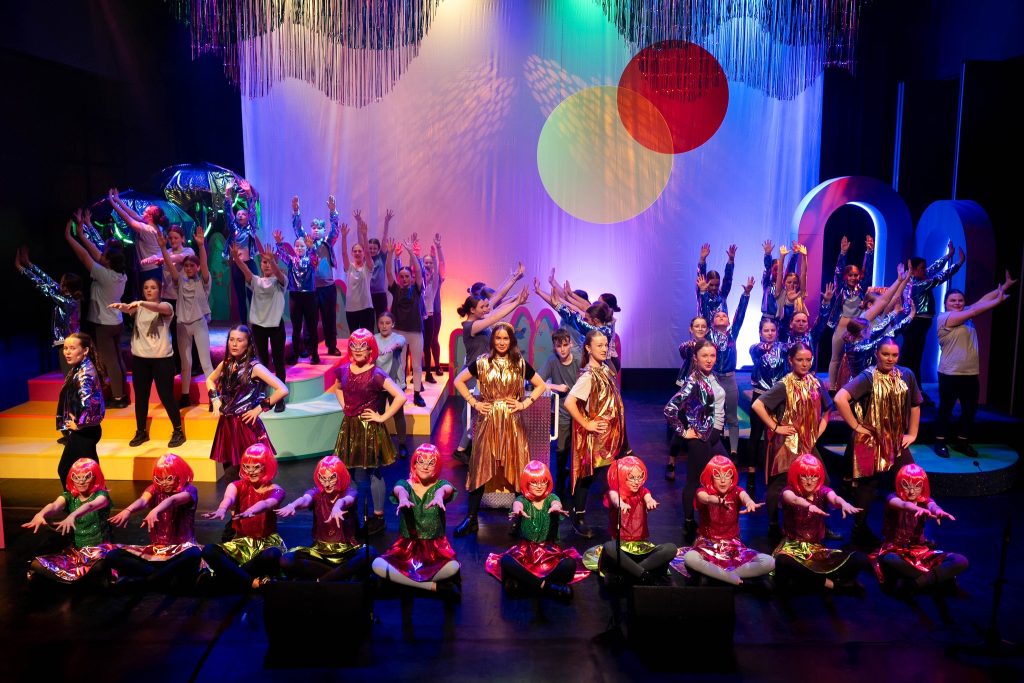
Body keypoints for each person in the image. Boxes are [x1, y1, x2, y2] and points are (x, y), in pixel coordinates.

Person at [453, 321, 547, 537]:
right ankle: (471, 518)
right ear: (493, 340)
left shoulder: (519, 363)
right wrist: (474, 402)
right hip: (488, 420)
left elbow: (541, 385)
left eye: (506, 338)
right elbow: (459, 380)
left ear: (511, 340)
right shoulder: (482, 362)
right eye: (498, 338)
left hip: (513, 422)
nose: (502, 342)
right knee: (479, 466)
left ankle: (519, 519)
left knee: (517, 466)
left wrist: (525, 403)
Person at [834, 338, 922, 548]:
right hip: (869, 441)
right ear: (877, 354)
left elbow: (915, 405)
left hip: (896, 440)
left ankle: (910, 532)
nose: (890, 359)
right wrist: (857, 426)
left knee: (910, 478)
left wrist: (912, 433)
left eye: (894, 355)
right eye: (885, 354)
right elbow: (840, 398)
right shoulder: (868, 377)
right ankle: (859, 531)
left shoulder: (906, 375)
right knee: (866, 487)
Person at [750, 342, 833, 539]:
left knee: (823, 481)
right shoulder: (784, 385)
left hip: (808, 443)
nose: (804, 364)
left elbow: (828, 408)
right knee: (779, 484)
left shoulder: (815, 382)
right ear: (790, 361)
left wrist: (818, 431)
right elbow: (758, 405)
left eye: (808, 360)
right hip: (787, 444)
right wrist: (775, 427)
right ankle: (773, 525)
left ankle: (820, 524)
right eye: (799, 360)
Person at [330, 328, 407, 536]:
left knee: (373, 472)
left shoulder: (376, 374)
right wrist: (345, 406)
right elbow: (338, 387)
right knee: (350, 471)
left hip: (369, 428)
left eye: (362, 346)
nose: (357, 350)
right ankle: (353, 512)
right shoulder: (343, 370)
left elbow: (400, 396)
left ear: (370, 349)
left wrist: (382, 417)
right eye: (354, 346)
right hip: (350, 427)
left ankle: (378, 517)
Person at [933, 272, 1017, 457]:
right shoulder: (945, 318)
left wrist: (1003, 287)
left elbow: (981, 302)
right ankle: (940, 442)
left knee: (969, 410)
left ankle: (962, 442)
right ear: (946, 303)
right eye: (953, 300)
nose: (957, 303)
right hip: (950, 373)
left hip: (970, 373)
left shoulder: (965, 314)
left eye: (960, 300)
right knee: (946, 409)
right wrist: (998, 301)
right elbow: (975, 310)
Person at [485, 460, 587, 601]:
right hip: (525, 553)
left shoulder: (551, 498)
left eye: (543, 482)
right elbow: (517, 504)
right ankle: (548, 587)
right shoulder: (523, 500)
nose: (539, 486)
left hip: (549, 553)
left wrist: (556, 508)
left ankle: (529, 585)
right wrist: (517, 510)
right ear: (526, 483)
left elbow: (556, 503)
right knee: (506, 561)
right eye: (534, 482)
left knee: (570, 564)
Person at [372, 444, 461, 599]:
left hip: (434, 551)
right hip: (406, 549)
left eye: (431, 463)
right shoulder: (405, 484)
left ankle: (403, 582)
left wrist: (439, 496)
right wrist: (403, 499)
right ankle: (431, 587)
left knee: (453, 567)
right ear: (414, 463)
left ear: (437, 466)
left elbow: (445, 489)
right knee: (377, 565)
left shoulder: (441, 485)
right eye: (421, 462)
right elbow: (400, 490)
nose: (425, 467)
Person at [452, 283, 529, 461]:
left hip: (483, 372)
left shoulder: (479, 319)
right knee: (476, 412)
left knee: (471, 412)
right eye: (483, 307)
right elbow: (495, 316)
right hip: (473, 374)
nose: (487, 309)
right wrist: (517, 303)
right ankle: (461, 449)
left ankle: (467, 446)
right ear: (472, 310)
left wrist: (515, 284)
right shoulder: (470, 327)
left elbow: (497, 302)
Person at [564, 329, 629, 538]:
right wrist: (587, 424)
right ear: (588, 348)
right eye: (599, 345)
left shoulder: (605, 370)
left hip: (610, 437)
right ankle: (578, 517)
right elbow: (569, 402)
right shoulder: (588, 376)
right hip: (595, 438)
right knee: (587, 477)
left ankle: (618, 516)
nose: (603, 349)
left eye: (605, 345)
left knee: (608, 477)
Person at [207, 324, 289, 488]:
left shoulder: (255, 367)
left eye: (239, 340)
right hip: (227, 425)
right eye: (231, 340)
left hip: (245, 427)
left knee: (252, 474)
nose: (234, 344)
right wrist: (215, 400)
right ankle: (234, 503)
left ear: (248, 343)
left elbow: (282, 389)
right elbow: (209, 380)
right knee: (230, 476)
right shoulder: (225, 364)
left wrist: (258, 409)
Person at [108, 275, 185, 448]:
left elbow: (157, 307)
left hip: (162, 360)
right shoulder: (138, 308)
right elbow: (128, 308)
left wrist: (140, 303)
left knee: (166, 395)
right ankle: (141, 431)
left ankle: (178, 430)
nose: (149, 290)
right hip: (140, 360)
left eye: (153, 287)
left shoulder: (165, 307)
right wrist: (122, 307)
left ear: (160, 290)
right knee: (141, 397)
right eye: (146, 288)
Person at [104, 453, 202, 589]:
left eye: (169, 478)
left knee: (193, 554)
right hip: (158, 552)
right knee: (113, 555)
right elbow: (143, 501)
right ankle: (159, 578)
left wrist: (155, 510)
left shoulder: (190, 490)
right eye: (159, 479)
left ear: (179, 475)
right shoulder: (154, 489)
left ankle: (149, 580)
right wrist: (128, 510)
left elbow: (172, 500)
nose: (164, 483)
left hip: (180, 551)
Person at [773, 454, 869, 593]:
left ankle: (814, 580)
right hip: (791, 549)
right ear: (796, 476)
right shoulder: (788, 491)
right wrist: (808, 505)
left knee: (859, 559)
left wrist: (843, 503)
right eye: (804, 476)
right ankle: (832, 585)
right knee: (783, 563)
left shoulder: (822, 491)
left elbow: (834, 498)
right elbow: (793, 499)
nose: (810, 482)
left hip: (815, 550)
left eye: (814, 477)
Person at [665, 339, 730, 543]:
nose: (709, 360)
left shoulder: (713, 376)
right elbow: (670, 409)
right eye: (704, 356)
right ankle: (688, 521)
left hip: (714, 436)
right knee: (694, 481)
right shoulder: (693, 381)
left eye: (712, 356)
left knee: (726, 471)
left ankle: (715, 517)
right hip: (700, 438)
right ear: (696, 358)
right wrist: (683, 432)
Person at [202, 444, 287, 591]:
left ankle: (229, 578)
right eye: (247, 467)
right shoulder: (236, 485)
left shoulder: (277, 490)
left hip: (266, 544)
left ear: (267, 466)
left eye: (256, 467)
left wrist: (252, 510)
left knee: (273, 555)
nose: (251, 471)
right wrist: (222, 509)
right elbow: (228, 498)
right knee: (209, 550)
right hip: (241, 543)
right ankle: (249, 581)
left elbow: (267, 503)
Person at [65, 218, 129, 408]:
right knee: (117, 358)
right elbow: (95, 253)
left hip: (105, 324)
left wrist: (70, 237)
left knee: (110, 361)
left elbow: (85, 256)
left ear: (109, 262)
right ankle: (122, 393)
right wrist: (82, 233)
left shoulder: (105, 275)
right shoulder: (121, 275)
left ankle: (118, 397)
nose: (101, 257)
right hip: (116, 321)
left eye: (105, 257)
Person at [277, 455, 375, 581]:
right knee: (286, 560)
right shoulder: (316, 493)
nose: (327, 484)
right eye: (323, 479)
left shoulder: (350, 492)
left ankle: (323, 579)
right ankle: (339, 575)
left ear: (340, 476)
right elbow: (305, 500)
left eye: (331, 478)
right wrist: (293, 505)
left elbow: (345, 501)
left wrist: (337, 507)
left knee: (370, 553)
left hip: (346, 551)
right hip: (320, 551)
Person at [681, 456, 774, 585]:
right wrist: (717, 500)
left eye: (727, 475)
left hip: (732, 548)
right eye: (718, 476)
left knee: (770, 562)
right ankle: (727, 576)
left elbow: (744, 497)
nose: (723, 480)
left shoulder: (737, 491)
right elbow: (705, 498)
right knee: (690, 558)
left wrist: (749, 502)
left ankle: (719, 575)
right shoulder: (702, 491)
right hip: (707, 545)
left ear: (732, 478)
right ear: (711, 477)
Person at [874, 464, 967, 593]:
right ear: (900, 484)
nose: (911, 491)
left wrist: (938, 511)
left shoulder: (925, 501)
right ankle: (936, 579)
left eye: (917, 486)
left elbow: (933, 506)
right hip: (895, 551)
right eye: (906, 485)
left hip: (920, 552)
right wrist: (917, 509)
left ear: (923, 486)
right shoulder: (892, 498)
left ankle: (917, 583)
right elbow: (904, 505)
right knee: (889, 560)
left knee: (960, 560)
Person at [587, 456, 677, 585]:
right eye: (632, 478)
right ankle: (642, 574)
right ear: (622, 477)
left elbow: (648, 497)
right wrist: (621, 504)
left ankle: (631, 574)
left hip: (641, 548)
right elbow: (615, 498)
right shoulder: (614, 493)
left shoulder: (643, 492)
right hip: (621, 550)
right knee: (609, 547)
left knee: (671, 548)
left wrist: (650, 502)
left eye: (639, 477)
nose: (637, 482)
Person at [23, 458, 114, 584]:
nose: (81, 482)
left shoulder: (101, 496)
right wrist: (41, 514)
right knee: (36, 563)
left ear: (95, 477)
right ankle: (78, 577)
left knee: (100, 566)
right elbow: (54, 505)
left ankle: (74, 577)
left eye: (87, 477)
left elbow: (90, 505)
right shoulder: (69, 496)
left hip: (98, 551)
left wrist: (73, 516)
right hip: (76, 552)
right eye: (76, 477)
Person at [901, 241, 966, 402]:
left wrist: (948, 256)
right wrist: (958, 264)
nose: (925, 270)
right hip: (916, 324)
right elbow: (939, 277)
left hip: (918, 324)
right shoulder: (918, 284)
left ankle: (913, 391)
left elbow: (933, 269)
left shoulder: (916, 279)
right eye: (922, 268)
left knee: (913, 358)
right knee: (912, 358)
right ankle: (912, 392)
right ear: (913, 270)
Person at [701, 273, 754, 458]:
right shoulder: (709, 335)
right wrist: (703, 293)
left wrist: (746, 295)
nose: (722, 316)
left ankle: (733, 451)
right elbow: (705, 309)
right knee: (712, 415)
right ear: (712, 321)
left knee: (731, 416)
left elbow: (740, 314)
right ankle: (710, 448)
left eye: (725, 315)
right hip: (713, 379)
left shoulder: (732, 334)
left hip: (730, 379)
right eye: (718, 315)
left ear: (729, 321)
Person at [159, 231, 214, 407]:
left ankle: (213, 397)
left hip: (199, 324)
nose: (189, 268)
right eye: (186, 266)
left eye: (192, 266)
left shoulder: (203, 281)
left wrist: (201, 246)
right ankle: (185, 396)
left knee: (205, 363)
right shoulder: (180, 281)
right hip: (182, 325)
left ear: (196, 268)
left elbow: (204, 264)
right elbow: (170, 266)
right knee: (185, 363)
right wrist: (163, 248)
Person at [232, 241, 288, 412]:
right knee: (261, 363)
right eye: (264, 262)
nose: (267, 265)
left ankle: (280, 398)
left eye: (270, 262)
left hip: (276, 326)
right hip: (258, 327)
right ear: (260, 265)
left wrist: (272, 260)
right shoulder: (256, 281)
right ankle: (262, 395)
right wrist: (236, 259)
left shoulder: (280, 280)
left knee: (278, 361)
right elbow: (246, 272)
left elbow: (278, 273)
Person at [15, 246, 82, 373]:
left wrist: (21, 269)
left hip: (67, 343)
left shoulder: (67, 302)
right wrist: (29, 264)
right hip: (68, 341)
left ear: (66, 286)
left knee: (69, 374)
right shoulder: (70, 297)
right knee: (70, 373)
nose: (59, 283)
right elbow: (48, 280)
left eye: (61, 282)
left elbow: (42, 285)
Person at [292, 195, 341, 356]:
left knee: (329, 318)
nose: (315, 230)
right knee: (309, 320)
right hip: (311, 288)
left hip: (327, 287)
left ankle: (331, 346)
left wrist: (333, 211)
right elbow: (298, 229)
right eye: (313, 227)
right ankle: (309, 348)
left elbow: (335, 229)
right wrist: (296, 211)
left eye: (319, 227)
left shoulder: (328, 241)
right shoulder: (307, 243)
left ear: (323, 230)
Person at [55, 333, 106, 487]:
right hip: (85, 430)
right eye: (65, 348)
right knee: (86, 472)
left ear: (85, 350)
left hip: (85, 432)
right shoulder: (79, 368)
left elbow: (89, 402)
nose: (67, 352)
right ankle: (90, 500)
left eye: (72, 348)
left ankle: (81, 500)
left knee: (69, 470)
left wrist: (79, 424)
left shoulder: (85, 373)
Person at [824, 235, 874, 390]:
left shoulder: (862, 288)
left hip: (858, 329)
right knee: (836, 358)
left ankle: (857, 388)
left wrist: (869, 253)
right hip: (842, 326)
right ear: (846, 277)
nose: (853, 277)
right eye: (850, 275)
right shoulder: (840, 288)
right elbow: (838, 272)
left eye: (856, 275)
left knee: (860, 360)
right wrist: (843, 253)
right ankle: (832, 388)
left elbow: (868, 271)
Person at [538, 328, 582, 501]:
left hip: (580, 413)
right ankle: (561, 483)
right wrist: (556, 387)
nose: (562, 349)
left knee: (579, 450)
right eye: (559, 346)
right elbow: (537, 381)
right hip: (563, 414)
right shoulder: (552, 361)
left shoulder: (578, 360)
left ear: (570, 344)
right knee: (562, 449)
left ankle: (577, 482)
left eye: (565, 345)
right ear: (554, 347)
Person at [385, 237, 428, 406]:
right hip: (399, 333)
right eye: (401, 276)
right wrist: (390, 254)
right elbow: (389, 272)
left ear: (411, 278)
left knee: (417, 366)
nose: (404, 279)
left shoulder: (417, 289)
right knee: (400, 364)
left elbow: (418, 271)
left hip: (415, 332)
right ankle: (400, 391)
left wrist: (411, 252)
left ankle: (417, 394)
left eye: (406, 276)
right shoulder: (395, 289)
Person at [746, 317, 786, 494]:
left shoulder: (783, 348)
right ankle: (751, 473)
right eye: (766, 330)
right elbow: (758, 351)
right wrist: (766, 348)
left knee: (776, 435)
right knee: (756, 434)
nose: (770, 333)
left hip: (777, 398)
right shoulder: (755, 348)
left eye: (773, 330)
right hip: (760, 396)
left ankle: (775, 471)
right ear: (760, 333)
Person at [668, 315, 710, 480]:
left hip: (704, 389)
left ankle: (701, 467)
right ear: (690, 329)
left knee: (703, 424)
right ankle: (671, 461)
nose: (700, 329)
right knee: (682, 424)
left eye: (703, 326)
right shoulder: (687, 346)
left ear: (707, 329)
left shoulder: (710, 347)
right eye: (696, 326)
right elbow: (684, 351)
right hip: (685, 387)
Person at [275, 230, 320, 365]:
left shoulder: (311, 260)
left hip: (310, 296)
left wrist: (311, 248)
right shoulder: (291, 260)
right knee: (296, 327)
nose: (299, 248)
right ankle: (295, 354)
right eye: (297, 246)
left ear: (306, 248)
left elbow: (314, 258)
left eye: (302, 246)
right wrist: (279, 243)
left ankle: (314, 354)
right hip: (295, 296)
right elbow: (281, 254)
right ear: (294, 248)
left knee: (312, 327)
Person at [107, 187, 165, 291]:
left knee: (149, 297)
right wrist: (118, 200)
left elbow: (127, 218)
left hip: (150, 269)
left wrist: (112, 202)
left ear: (150, 217)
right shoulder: (156, 226)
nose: (142, 213)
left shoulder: (147, 230)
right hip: (155, 267)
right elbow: (133, 214)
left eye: (145, 212)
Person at [222, 182, 260, 322]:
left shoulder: (251, 227)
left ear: (248, 217)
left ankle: (255, 322)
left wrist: (249, 193)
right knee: (240, 296)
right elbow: (228, 212)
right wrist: (227, 193)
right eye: (238, 214)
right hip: (237, 265)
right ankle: (244, 324)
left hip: (249, 264)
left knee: (252, 294)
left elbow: (253, 211)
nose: (241, 216)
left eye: (244, 214)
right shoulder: (233, 228)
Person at [375, 311, 411, 458]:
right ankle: (380, 444)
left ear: (393, 324)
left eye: (387, 323)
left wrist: (391, 347)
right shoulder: (373, 339)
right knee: (378, 414)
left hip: (394, 383)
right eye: (381, 323)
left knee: (398, 414)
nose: (384, 326)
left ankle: (402, 444)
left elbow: (401, 342)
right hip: (377, 383)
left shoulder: (398, 338)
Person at [340, 210, 376, 335]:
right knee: (354, 337)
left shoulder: (368, 267)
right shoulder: (349, 267)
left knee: (367, 337)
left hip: (366, 308)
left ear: (363, 253)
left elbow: (368, 252)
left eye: (359, 251)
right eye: (355, 251)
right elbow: (343, 253)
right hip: (351, 309)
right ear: (352, 253)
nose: (357, 253)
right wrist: (344, 237)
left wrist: (365, 236)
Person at [421, 233, 446, 382]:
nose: (428, 265)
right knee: (422, 342)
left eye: (430, 262)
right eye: (426, 262)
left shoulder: (437, 279)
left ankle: (437, 366)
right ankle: (425, 369)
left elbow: (441, 264)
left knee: (433, 339)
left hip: (434, 313)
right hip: (421, 315)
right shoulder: (419, 280)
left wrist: (438, 248)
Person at [773, 242, 808, 334]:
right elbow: (780, 274)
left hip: (797, 331)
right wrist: (782, 257)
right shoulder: (780, 293)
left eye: (795, 282)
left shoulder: (800, 295)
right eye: (789, 282)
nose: (792, 284)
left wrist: (804, 257)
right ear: (784, 283)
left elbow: (804, 274)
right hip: (782, 331)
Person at [696, 242, 736, 320]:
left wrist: (731, 261)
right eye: (711, 285)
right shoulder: (702, 294)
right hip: (704, 327)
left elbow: (728, 279)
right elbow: (701, 277)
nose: (714, 288)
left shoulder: (722, 295)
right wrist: (702, 260)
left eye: (717, 285)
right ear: (706, 283)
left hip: (722, 327)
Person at [368, 209, 395, 322]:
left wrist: (386, 223)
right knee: (369, 321)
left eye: (375, 248)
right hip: (368, 295)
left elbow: (384, 238)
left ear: (378, 249)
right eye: (370, 248)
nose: (372, 250)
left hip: (380, 294)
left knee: (382, 320)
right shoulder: (366, 258)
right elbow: (361, 242)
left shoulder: (381, 257)